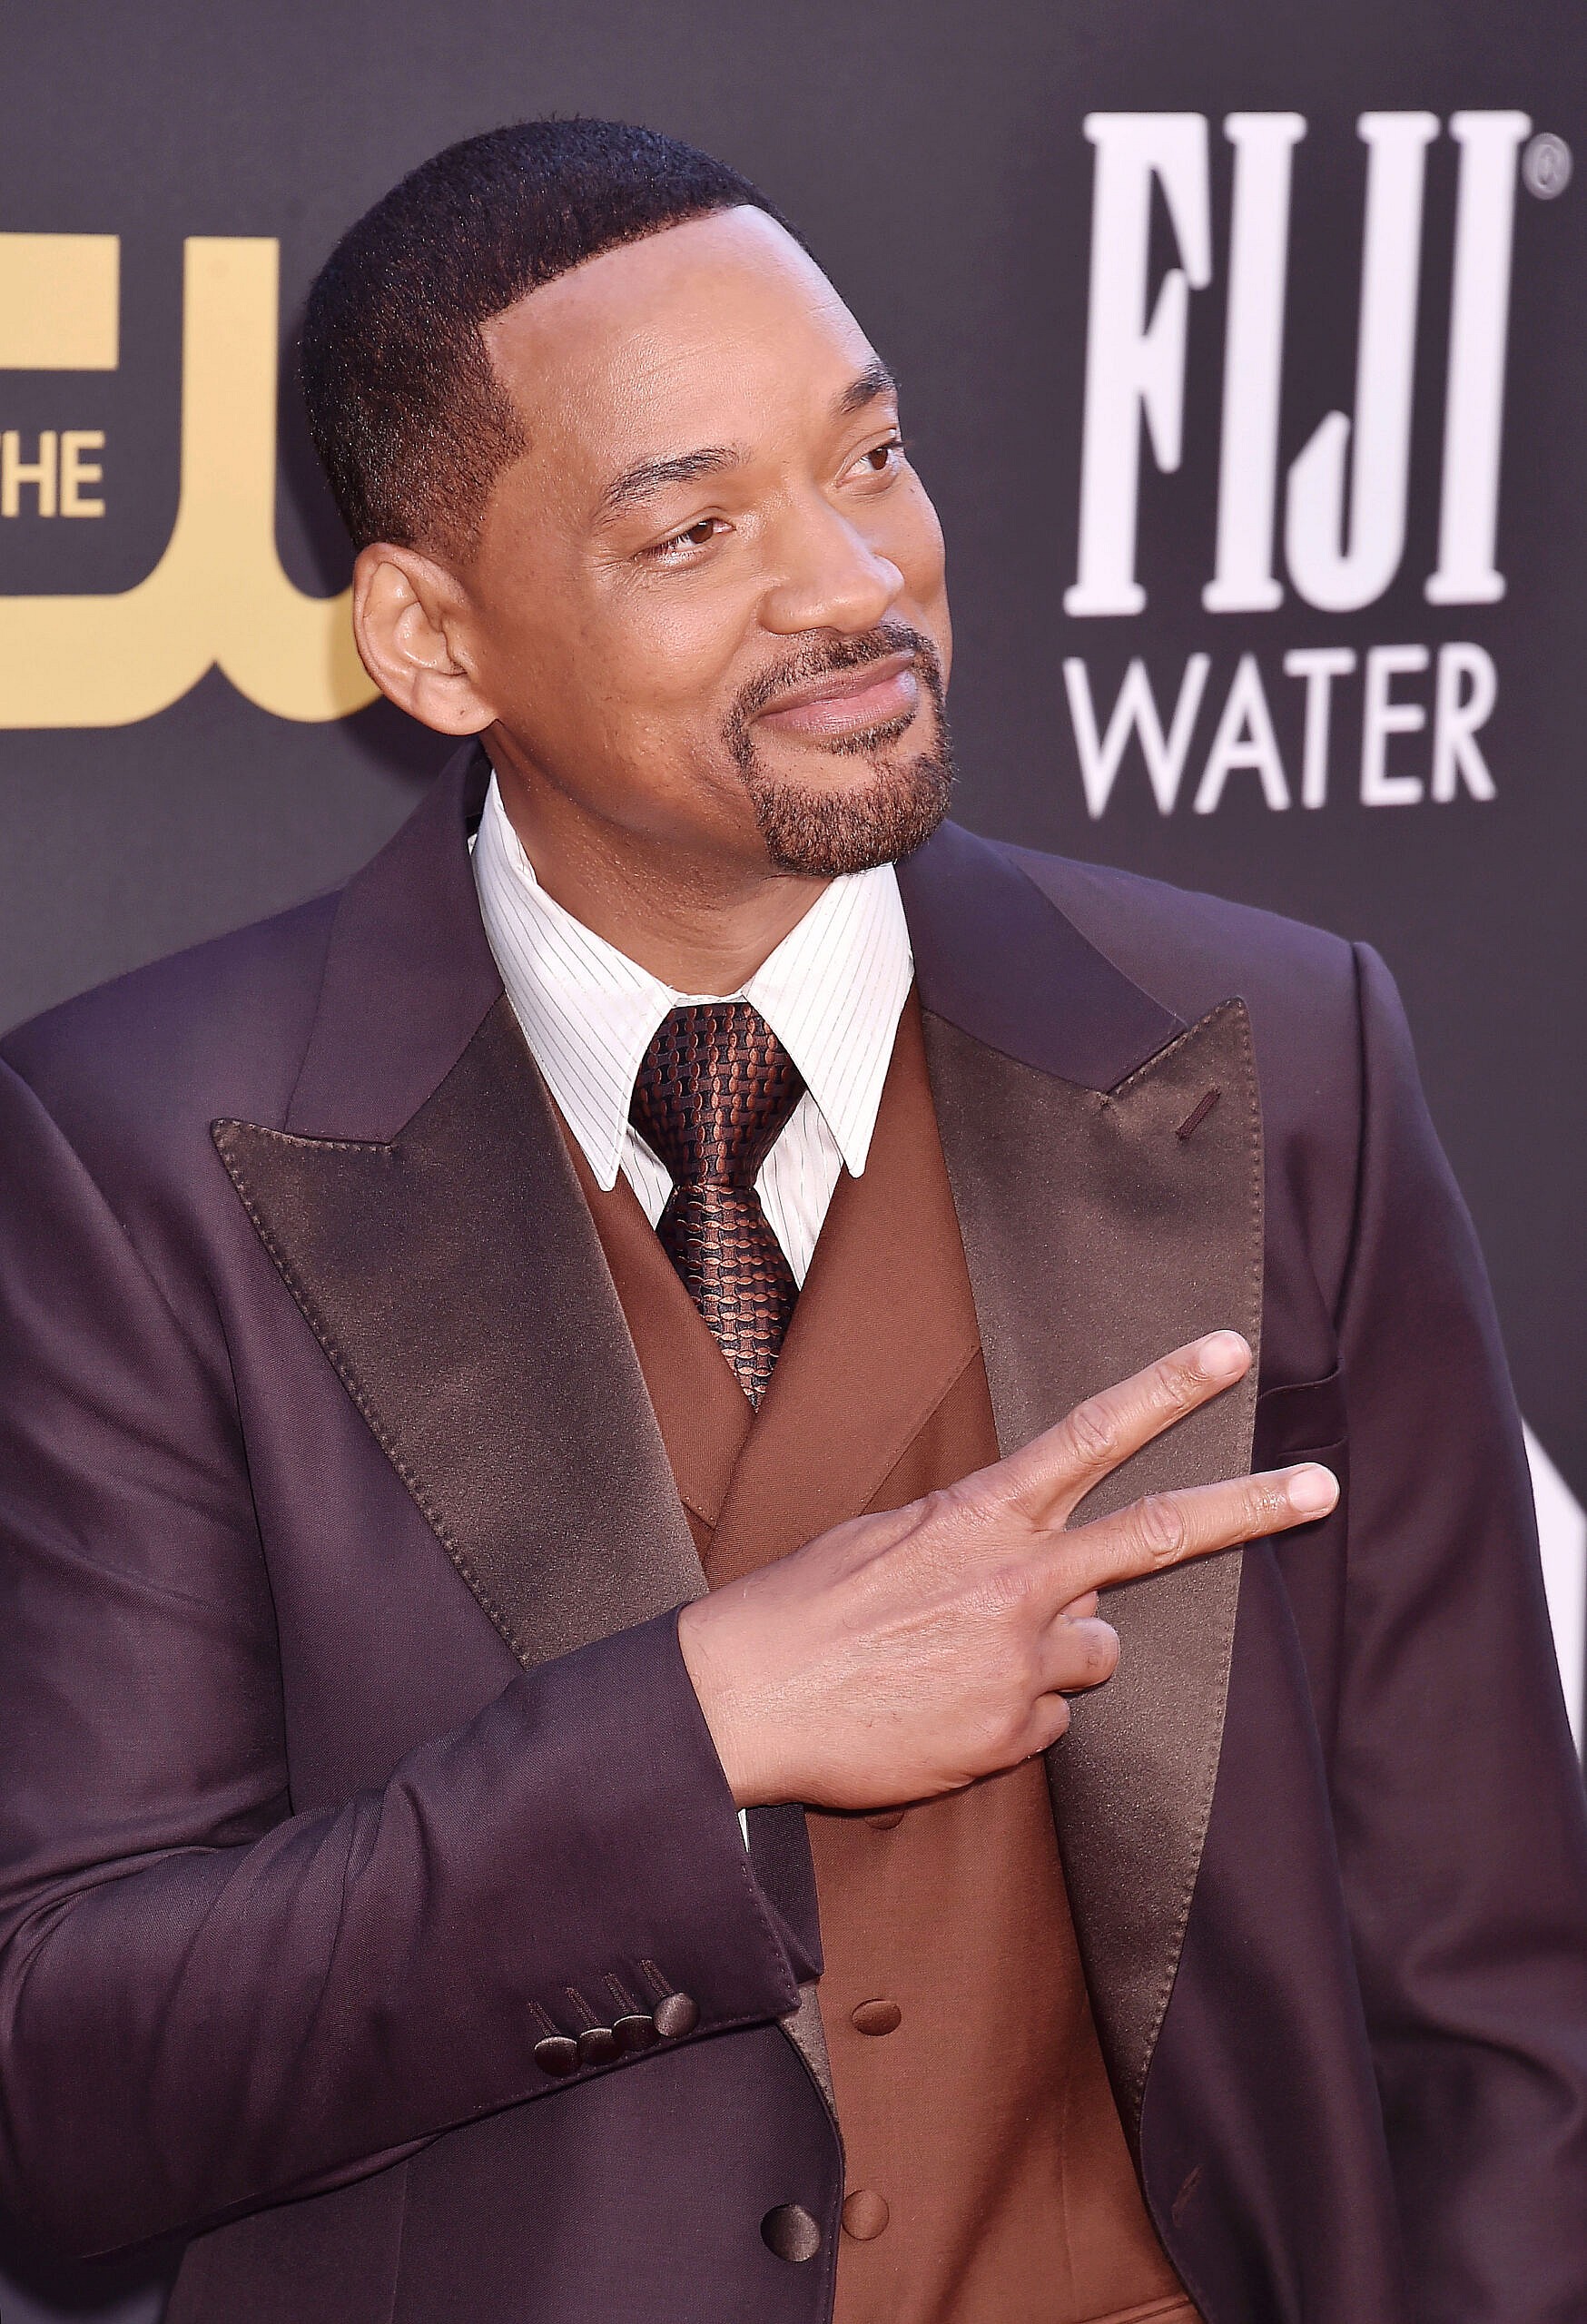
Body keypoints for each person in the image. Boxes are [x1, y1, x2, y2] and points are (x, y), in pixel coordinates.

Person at [0, 117, 1582, 2324]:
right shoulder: (136, 1146)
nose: (852, 581)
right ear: (431, 639)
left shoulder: (1279, 1054)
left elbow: (1496, 2011)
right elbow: (66, 2095)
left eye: (874, 460)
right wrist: (692, 1732)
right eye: (696, 525)